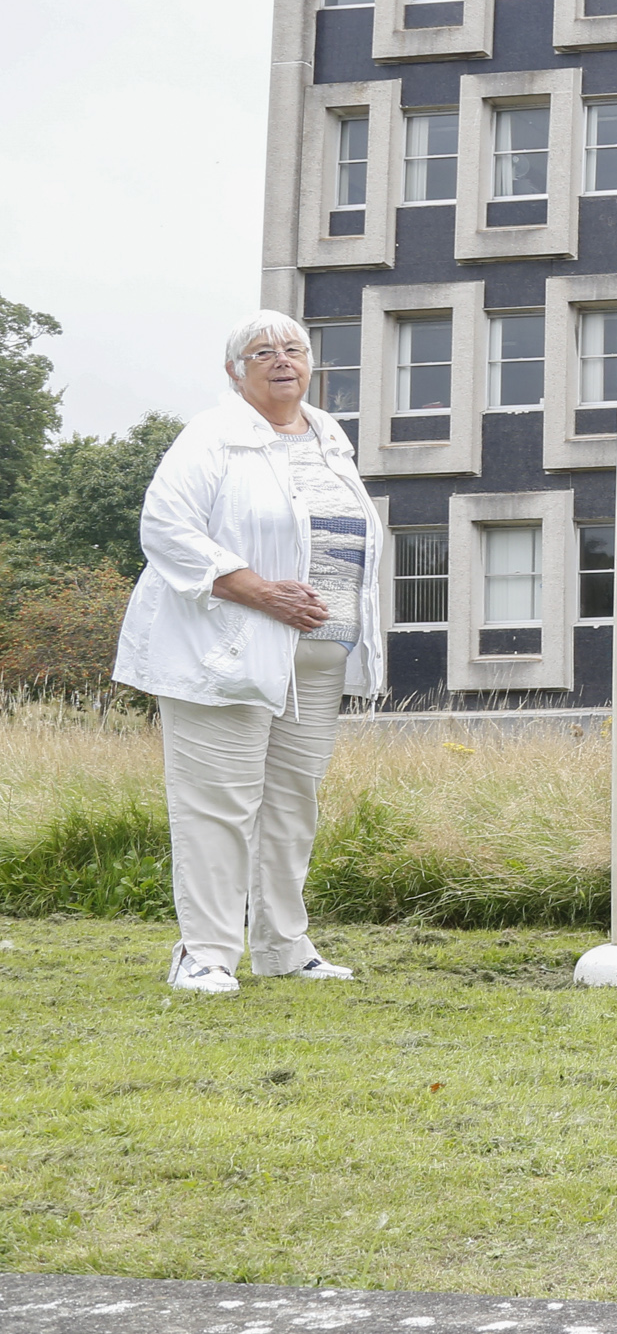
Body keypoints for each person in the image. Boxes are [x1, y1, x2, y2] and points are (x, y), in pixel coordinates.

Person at [112, 312, 385, 993]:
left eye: (293, 349)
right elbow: (166, 529)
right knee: (218, 804)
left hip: (317, 656)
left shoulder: (331, 438)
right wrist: (262, 593)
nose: (281, 359)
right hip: (225, 652)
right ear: (236, 370)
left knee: (293, 803)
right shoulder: (213, 435)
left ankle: (282, 946)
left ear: (311, 363)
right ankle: (203, 953)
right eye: (262, 351)